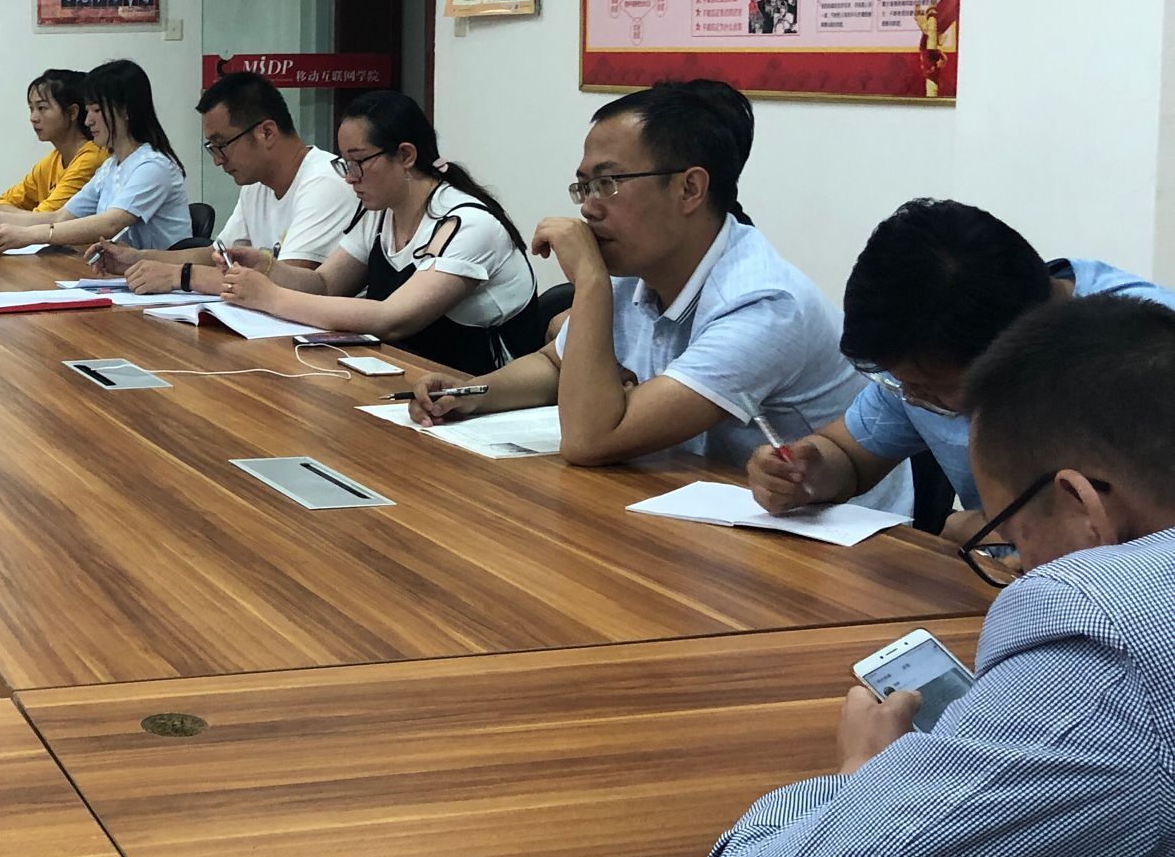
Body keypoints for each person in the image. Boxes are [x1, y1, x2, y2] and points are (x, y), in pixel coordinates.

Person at [696, 294, 1175, 857]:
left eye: (1008, 539)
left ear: (1080, 503)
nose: (1016, 565)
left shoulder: (1106, 626)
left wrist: (864, 782)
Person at [407, 79, 903, 495]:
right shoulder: (641, 267)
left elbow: (591, 440)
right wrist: (470, 393)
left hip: (826, 541)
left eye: (609, 183)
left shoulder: (764, 305)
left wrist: (591, 283)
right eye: (584, 186)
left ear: (689, 189)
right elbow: (555, 365)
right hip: (691, 509)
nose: (588, 207)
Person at [748, 199, 1175, 542]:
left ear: (1007, 355)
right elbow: (848, 455)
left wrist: (1000, 532)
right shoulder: (926, 350)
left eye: (930, 388)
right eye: (904, 384)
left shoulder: (1147, 355)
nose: (912, 397)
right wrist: (803, 474)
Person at [216, 89, 542, 372]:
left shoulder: (468, 224)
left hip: (479, 392)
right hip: (408, 378)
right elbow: (326, 285)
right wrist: (269, 268)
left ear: (406, 155)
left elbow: (393, 319)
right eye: (345, 163)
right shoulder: (381, 213)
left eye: (358, 162)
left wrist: (272, 297)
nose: (349, 177)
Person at [84, 71, 355, 295]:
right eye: (211, 148)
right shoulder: (256, 184)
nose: (217, 160)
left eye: (222, 145)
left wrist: (180, 276)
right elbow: (214, 255)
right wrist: (137, 258)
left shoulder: (324, 182)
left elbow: (285, 288)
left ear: (267, 132)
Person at [0, 58, 190, 253]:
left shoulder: (153, 166)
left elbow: (110, 224)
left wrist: (28, 235)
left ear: (126, 111)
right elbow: (60, 217)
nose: (88, 121)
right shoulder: (111, 166)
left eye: (97, 110)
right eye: (88, 111)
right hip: (125, 274)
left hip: (161, 277)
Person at [0, 69, 107, 239]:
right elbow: (1, 204)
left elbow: (48, 221)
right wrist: (14, 217)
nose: (33, 117)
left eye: (42, 108)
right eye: (31, 109)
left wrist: (3, 218)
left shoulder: (91, 159)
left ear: (72, 112)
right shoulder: (53, 159)